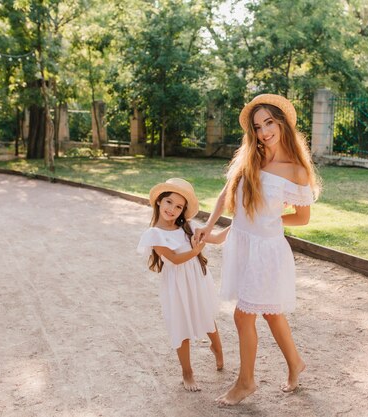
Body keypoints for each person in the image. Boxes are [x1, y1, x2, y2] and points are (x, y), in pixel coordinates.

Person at [194, 94, 321, 405]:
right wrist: (209, 228)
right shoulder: (251, 155)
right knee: (270, 312)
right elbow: (229, 192)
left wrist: (271, 216)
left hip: (267, 251)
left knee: (243, 315)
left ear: (282, 123)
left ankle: (246, 381)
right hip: (243, 244)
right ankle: (295, 364)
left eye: (269, 123)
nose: (264, 132)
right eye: (258, 126)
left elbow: (302, 218)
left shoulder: (296, 171)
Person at [137, 178, 230, 392]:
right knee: (182, 325)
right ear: (159, 201)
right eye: (169, 202)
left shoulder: (188, 227)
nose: (172, 209)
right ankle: (187, 372)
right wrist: (196, 251)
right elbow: (174, 259)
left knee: (207, 315)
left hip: (197, 279)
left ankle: (217, 348)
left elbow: (215, 238)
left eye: (178, 206)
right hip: (176, 285)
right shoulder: (154, 234)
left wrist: (238, 226)